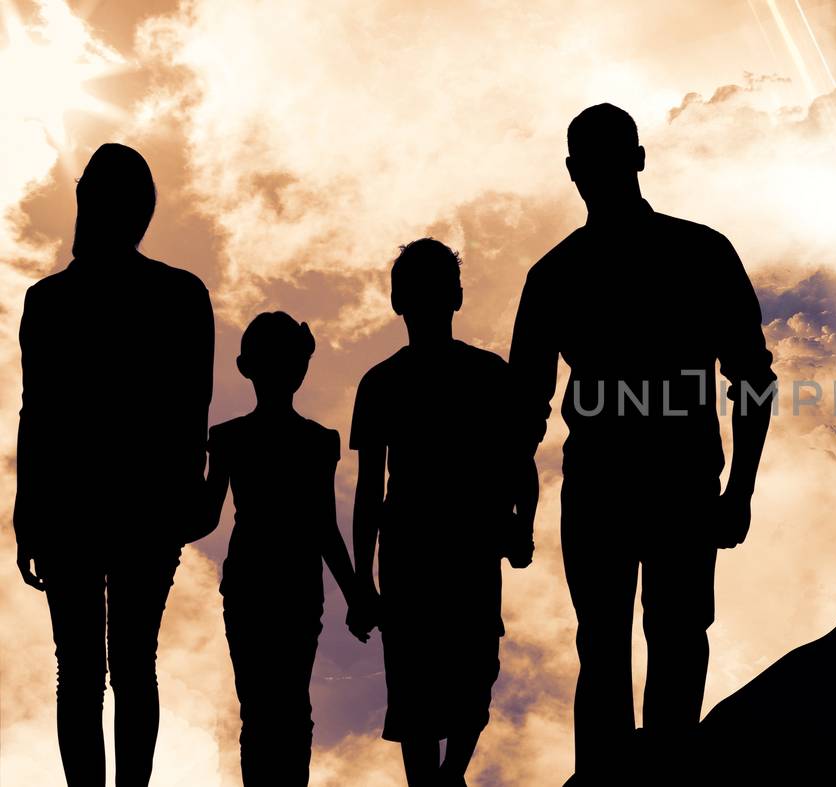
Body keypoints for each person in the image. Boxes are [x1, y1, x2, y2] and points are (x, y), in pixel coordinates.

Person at [510, 103, 777, 780]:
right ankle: (644, 775)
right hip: (642, 482)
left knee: (646, 642)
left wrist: (739, 490)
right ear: (635, 158)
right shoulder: (693, 252)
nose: (597, 172)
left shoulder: (565, 272)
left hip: (650, 482)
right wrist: (737, 489)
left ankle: (644, 775)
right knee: (637, 643)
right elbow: (525, 408)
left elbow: (752, 377)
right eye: (593, 161)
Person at [12, 143, 214, 787]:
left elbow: (39, 412)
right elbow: (191, 409)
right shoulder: (179, 293)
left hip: (90, 503)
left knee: (90, 668)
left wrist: (29, 511)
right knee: (125, 665)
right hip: (136, 504)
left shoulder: (52, 300)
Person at [351, 238, 536, 786]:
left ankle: (445, 777)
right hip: (421, 547)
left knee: (466, 672)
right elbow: (369, 490)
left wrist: (521, 525)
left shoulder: (482, 375)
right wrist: (362, 581)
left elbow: (516, 460)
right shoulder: (385, 382)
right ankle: (437, 781)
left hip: (459, 544)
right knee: (425, 679)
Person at [191, 312, 378, 785]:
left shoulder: (234, 437)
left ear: (244, 366)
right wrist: (356, 591)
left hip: (259, 581)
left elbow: (208, 517)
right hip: (285, 582)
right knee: (287, 706)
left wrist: (357, 592)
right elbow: (324, 528)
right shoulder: (314, 441)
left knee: (262, 708)